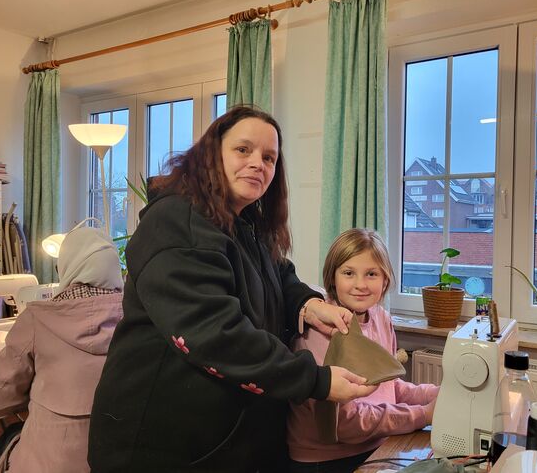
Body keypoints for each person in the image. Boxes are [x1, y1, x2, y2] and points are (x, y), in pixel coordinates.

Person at [88, 106, 376, 473]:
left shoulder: (245, 224)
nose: (258, 164)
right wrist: (316, 380)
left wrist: (307, 303)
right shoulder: (177, 222)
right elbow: (215, 334)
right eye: (243, 150)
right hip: (162, 447)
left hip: (223, 444)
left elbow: (280, 275)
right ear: (212, 155)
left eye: (269, 158)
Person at [287, 228, 440, 473]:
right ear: (333, 278)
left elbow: (388, 385)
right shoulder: (321, 329)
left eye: (371, 274)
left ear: (385, 280)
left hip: (376, 444)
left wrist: (435, 394)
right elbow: (343, 423)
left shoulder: (381, 318)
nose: (360, 285)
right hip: (326, 459)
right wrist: (422, 415)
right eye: (349, 273)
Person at [0, 226, 124, 473]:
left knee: (7, 437)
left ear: (65, 267)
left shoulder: (37, 319)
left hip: (51, 463)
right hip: (114, 457)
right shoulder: (138, 319)